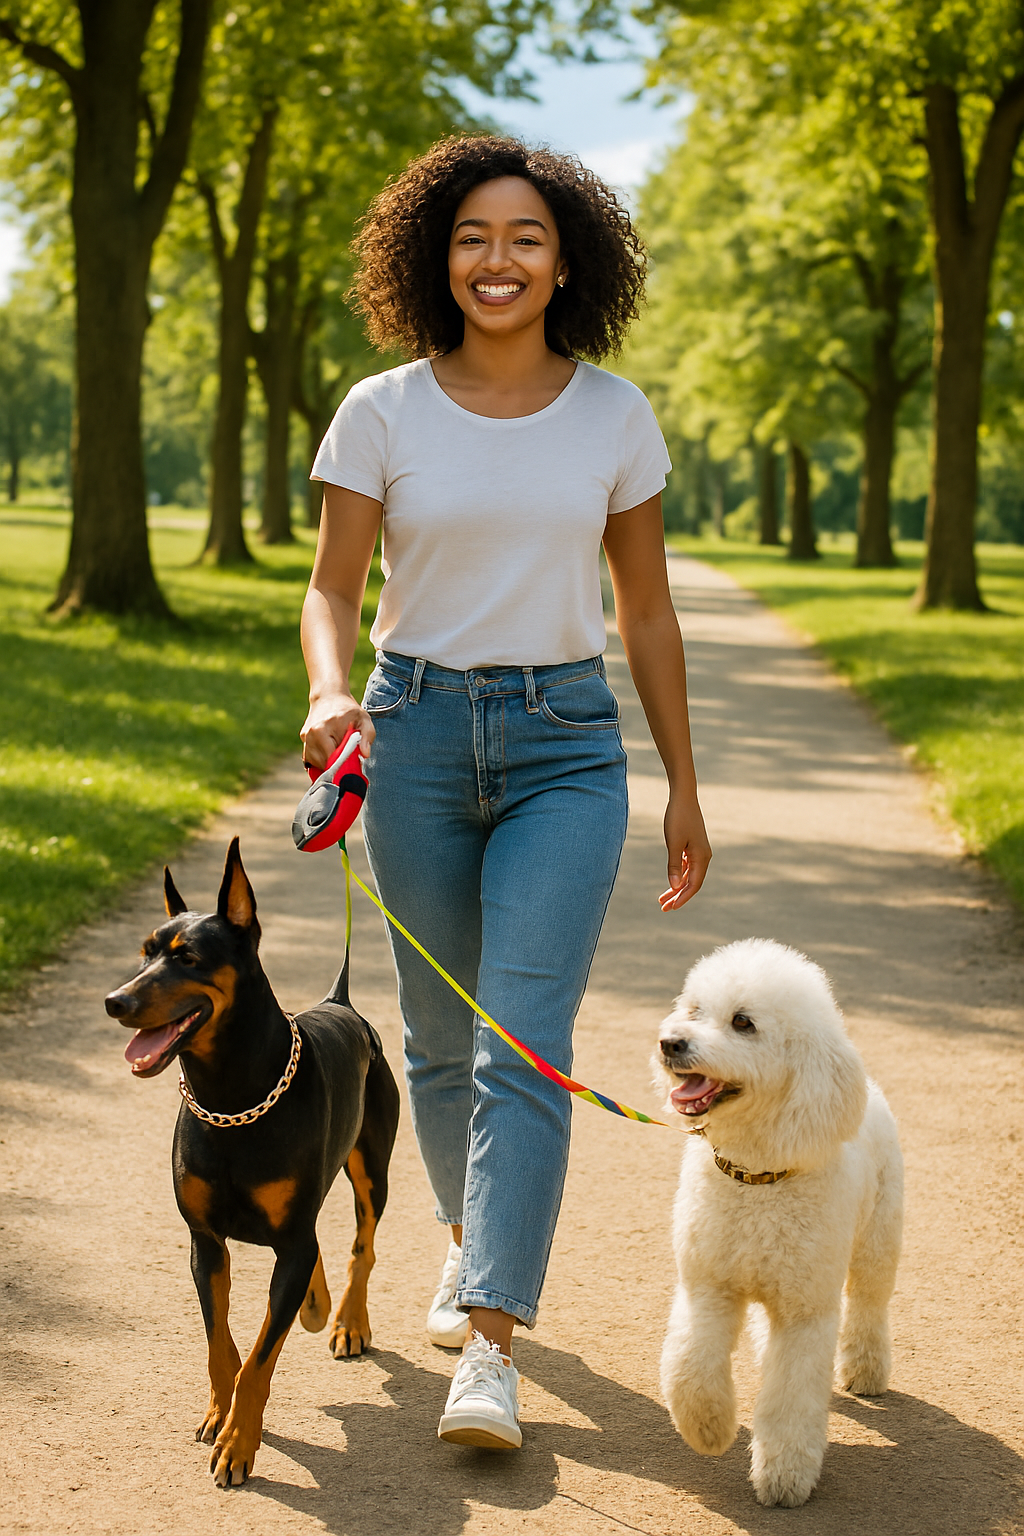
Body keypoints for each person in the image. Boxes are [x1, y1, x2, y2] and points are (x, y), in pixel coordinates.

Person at [299, 135, 711, 1452]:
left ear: (567, 260)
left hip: (563, 746)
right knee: (434, 1042)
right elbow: (333, 592)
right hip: (413, 733)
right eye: (474, 235)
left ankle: (491, 1344)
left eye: (525, 237)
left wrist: (681, 784)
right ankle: (475, 1246)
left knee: (521, 1045)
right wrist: (327, 693)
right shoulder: (381, 410)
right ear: (440, 254)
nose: (498, 258)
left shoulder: (615, 416)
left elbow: (645, 614)